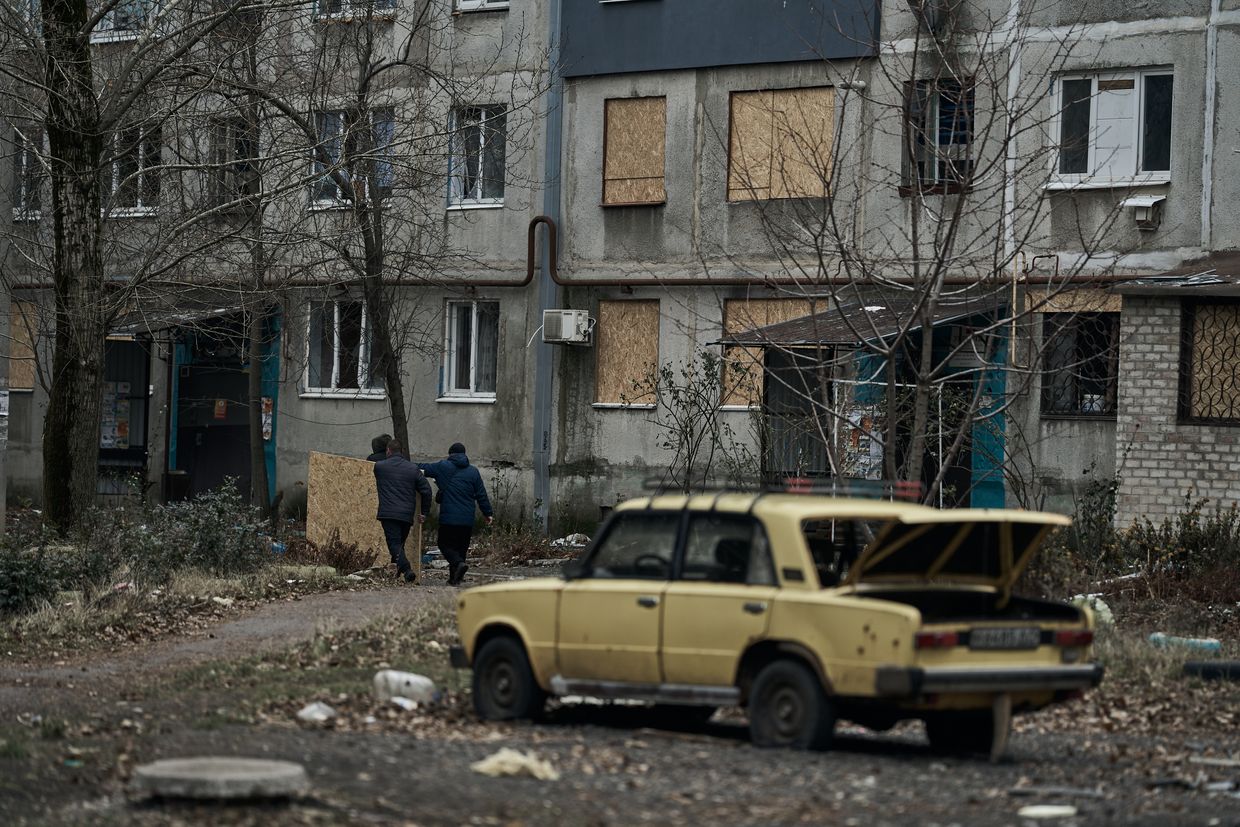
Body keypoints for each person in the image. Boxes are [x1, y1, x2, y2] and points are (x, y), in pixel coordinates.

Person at [420, 442, 493, 586]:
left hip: (449, 518)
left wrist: (403, 464)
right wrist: (487, 513)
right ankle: (455, 579)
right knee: (461, 548)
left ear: (450, 454)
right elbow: (481, 494)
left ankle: (458, 565)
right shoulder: (473, 472)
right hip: (467, 519)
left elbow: (422, 467)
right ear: (464, 454)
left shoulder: (442, 467)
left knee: (444, 544)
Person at [373, 439, 433, 583]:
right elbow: (427, 491)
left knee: (394, 544)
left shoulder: (380, 467)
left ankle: (406, 570)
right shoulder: (413, 469)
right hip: (406, 515)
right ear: (402, 452)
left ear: (388, 451)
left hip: (388, 513)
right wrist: (424, 512)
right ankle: (396, 575)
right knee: (399, 545)